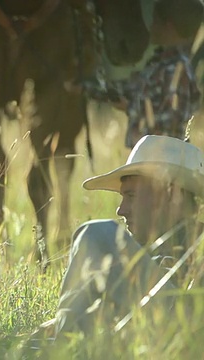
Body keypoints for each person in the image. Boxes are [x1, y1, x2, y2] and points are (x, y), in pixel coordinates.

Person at [31, 135, 204, 343]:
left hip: (183, 337)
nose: (121, 210)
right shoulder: (147, 255)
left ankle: (61, 349)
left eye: (131, 196)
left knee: (97, 234)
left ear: (170, 193)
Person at [77, 0, 203, 148]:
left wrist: (130, 108)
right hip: (150, 157)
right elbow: (125, 90)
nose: (150, 27)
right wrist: (84, 87)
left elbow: (170, 122)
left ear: (168, 27)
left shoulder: (176, 71)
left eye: (155, 21)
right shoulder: (158, 66)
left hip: (162, 158)